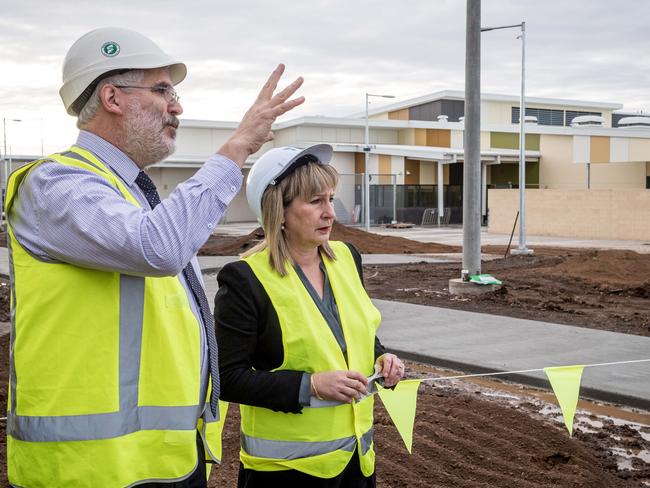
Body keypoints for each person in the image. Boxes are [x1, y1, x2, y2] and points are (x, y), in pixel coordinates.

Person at [5, 27, 304, 488]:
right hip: (87, 470)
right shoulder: (56, 184)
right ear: (112, 97)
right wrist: (237, 146)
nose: (177, 105)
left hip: (161, 461)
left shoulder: (128, 194)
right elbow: (158, 248)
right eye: (162, 89)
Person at [214, 144, 405, 487]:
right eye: (316, 201)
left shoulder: (347, 258)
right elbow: (227, 378)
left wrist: (382, 357)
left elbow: (348, 334)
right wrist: (310, 386)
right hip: (286, 473)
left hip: (356, 464)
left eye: (331, 199)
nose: (330, 213)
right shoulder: (245, 279)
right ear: (279, 211)